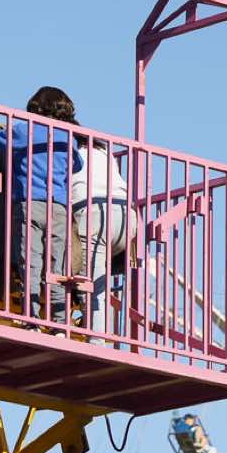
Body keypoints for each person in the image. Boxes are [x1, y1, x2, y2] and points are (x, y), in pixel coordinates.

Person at [0, 87, 75, 320]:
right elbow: (77, 164)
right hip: (58, 207)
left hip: (29, 204)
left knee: (31, 262)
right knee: (57, 266)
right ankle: (59, 323)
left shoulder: (23, 130)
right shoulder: (67, 137)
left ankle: (32, 317)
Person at [68, 126, 130, 328]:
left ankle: (97, 338)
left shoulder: (68, 150)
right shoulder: (104, 151)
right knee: (98, 281)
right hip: (126, 217)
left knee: (91, 286)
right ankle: (97, 328)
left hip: (93, 213)